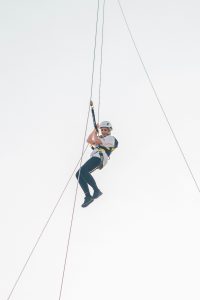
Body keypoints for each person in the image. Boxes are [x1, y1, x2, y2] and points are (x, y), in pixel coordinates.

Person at [76, 121, 118, 208]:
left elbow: (96, 140)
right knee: (79, 174)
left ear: (109, 130)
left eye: (105, 130)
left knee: (83, 171)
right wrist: (94, 130)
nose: (103, 131)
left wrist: (96, 131)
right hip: (96, 157)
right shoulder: (102, 138)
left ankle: (96, 190)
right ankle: (88, 196)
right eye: (102, 130)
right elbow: (89, 140)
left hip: (100, 157)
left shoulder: (111, 138)